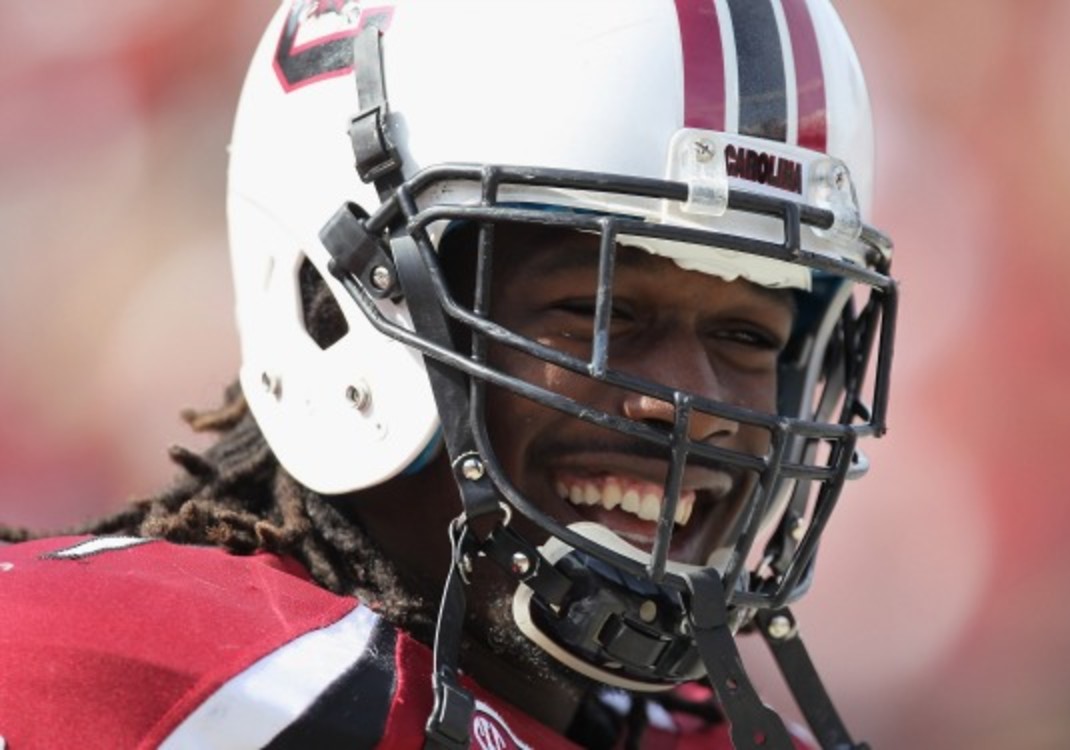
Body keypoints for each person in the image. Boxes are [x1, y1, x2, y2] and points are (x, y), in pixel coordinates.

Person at [0, 1, 896, 748]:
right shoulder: (137, 686)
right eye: (603, 312)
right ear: (334, 305)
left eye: (746, 333)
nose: (691, 405)